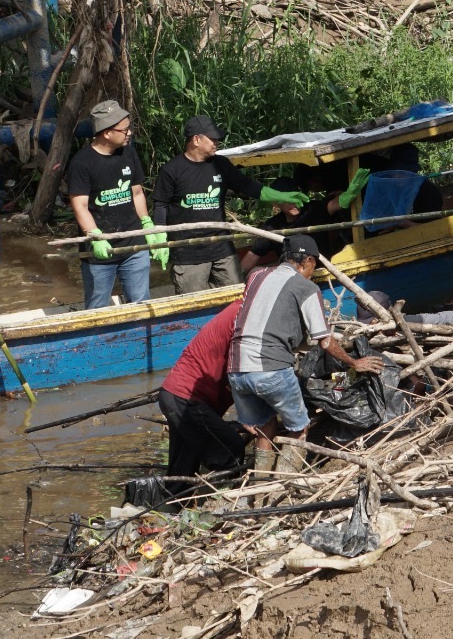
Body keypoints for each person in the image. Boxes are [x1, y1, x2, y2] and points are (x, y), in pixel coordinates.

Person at [226, 235, 384, 472]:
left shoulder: (256, 275)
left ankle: (257, 487)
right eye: (314, 266)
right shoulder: (307, 288)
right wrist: (354, 362)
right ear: (307, 261)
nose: (313, 272)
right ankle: (282, 484)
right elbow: (325, 341)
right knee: (299, 428)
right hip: (271, 370)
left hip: (236, 369)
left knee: (265, 425)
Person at [153, 115, 306, 295]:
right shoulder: (172, 170)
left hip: (221, 247)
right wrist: (159, 236)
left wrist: (279, 196)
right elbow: (160, 205)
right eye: (212, 138)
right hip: (188, 252)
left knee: (237, 294)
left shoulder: (221, 164)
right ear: (196, 139)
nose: (217, 142)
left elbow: (246, 185)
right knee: (194, 303)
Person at [68, 99, 166, 308]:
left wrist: (147, 225)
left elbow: (137, 193)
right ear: (106, 132)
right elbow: (80, 206)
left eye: (130, 127)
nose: (129, 133)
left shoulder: (128, 153)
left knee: (141, 303)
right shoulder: (82, 163)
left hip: (134, 244)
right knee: (97, 307)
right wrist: (95, 236)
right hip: (99, 249)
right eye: (124, 129)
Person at [159, 299, 248, 478]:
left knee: (183, 469)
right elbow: (240, 372)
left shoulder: (239, 309)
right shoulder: (245, 316)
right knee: (231, 449)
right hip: (187, 398)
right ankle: (224, 499)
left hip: (176, 394)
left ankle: (173, 502)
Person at [239, 169, 371, 274]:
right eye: (288, 200)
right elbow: (253, 255)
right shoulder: (273, 226)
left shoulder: (313, 209)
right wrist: (236, 281)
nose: (295, 204)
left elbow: (335, 204)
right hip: (290, 278)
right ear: (276, 204)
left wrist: (348, 195)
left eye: (296, 197)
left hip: (323, 272)